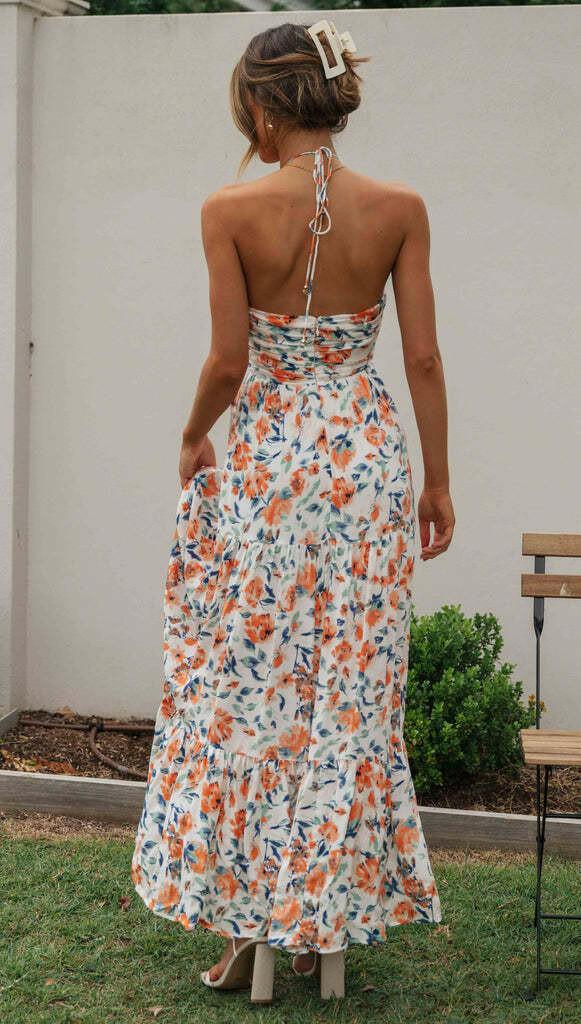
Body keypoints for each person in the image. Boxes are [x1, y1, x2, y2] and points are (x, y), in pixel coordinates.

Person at [131, 19, 454, 1004]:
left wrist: (192, 434)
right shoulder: (399, 208)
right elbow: (422, 358)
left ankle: (246, 932)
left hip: (269, 466)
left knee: (256, 694)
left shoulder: (228, 209)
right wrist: (437, 482)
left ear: (260, 106)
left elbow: (228, 362)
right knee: (348, 695)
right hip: (363, 463)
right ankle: (320, 924)